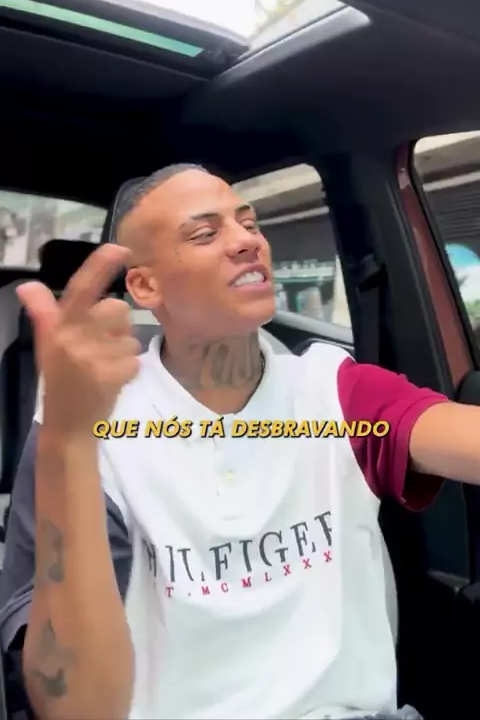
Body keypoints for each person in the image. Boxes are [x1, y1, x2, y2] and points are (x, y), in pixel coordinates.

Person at [0, 163, 479, 720]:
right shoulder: (86, 424)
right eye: (205, 233)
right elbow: (75, 706)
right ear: (145, 286)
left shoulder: (334, 390)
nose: (247, 242)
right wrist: (70, 439)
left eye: (249, 224)